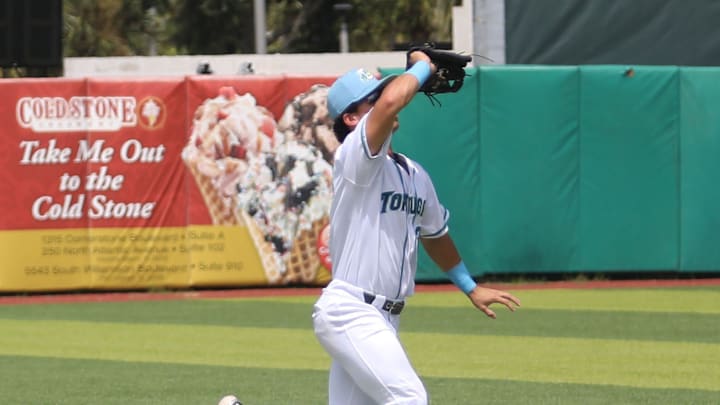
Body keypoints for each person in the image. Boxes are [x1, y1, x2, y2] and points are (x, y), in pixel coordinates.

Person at [311, 50, 521, 405]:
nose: (382, 101)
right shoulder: (355, 158)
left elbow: (436, 236)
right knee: (409, 399)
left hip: (383, 318)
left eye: (380, 94)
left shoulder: (414, 173)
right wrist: (422, 65)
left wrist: (469, 287)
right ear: (351, 118)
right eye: (371, 100)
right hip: (351, 311)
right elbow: (393, 99)